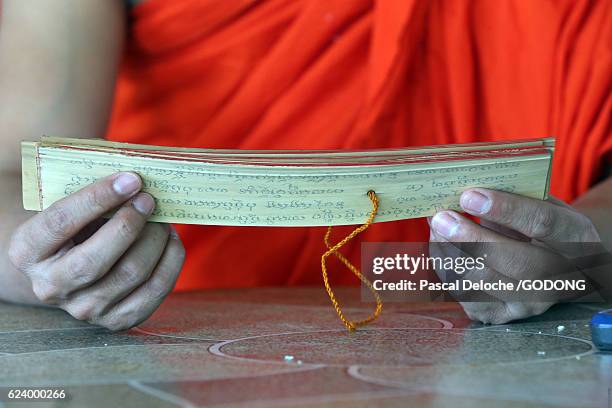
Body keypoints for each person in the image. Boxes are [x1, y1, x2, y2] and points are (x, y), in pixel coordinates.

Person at [1, 0, 610, 330]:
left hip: (515, 346)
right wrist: (52, 262)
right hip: (182, 328)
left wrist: (580, 255)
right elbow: (12, 178)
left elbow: (593, 237)